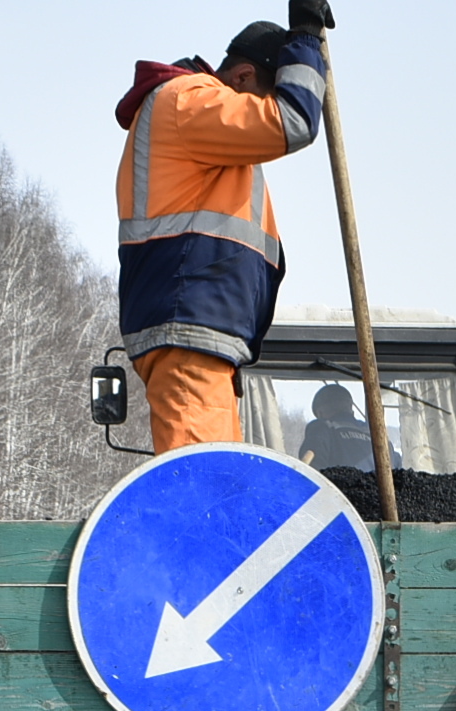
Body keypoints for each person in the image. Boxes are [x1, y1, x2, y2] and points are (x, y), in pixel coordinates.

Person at [113, 5, 334, 452]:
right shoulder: (189, 101)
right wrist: (306, 38)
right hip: (189, 330)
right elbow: (294, 120)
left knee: (220, 494)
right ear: (242, 79)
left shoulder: (204, 130)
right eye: (264, 97)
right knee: (205, 500)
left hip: (202, 340)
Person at [301, 381, 375, 470]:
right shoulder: (376, 434)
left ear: (320, 413)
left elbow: (311, 472)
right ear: (350, 407)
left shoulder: (322, 427)